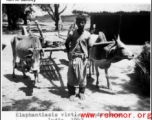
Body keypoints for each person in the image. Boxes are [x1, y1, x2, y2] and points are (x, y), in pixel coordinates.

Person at [65, 15, 91, 101]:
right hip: (73, 57)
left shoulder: (87, 34)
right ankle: (72, 93)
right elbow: (66, 43)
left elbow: (89, 47)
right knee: (71, 76)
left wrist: (88, 59)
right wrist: (69, 52)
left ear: (85, 23)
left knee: (82, 76)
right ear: (76, 23)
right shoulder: (72, 33)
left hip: (83, 58)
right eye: (79, 22)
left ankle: (81, 92)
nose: (81, 24)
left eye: (82, 22)